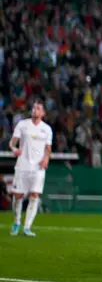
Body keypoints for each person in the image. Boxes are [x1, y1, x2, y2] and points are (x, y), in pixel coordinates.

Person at [9, 101, 53, 237]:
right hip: (23, 165)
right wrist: (13, 148)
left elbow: (48, 148)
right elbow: (13, 141)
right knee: (18, 195)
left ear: (43, 113)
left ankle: (27, 227)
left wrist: (46, 159)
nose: (35, 109)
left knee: (35, 195)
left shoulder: (46, 129)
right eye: (33, 107)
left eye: (38, 108)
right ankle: (16, 222)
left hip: (38, 168)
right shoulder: (22, 125)